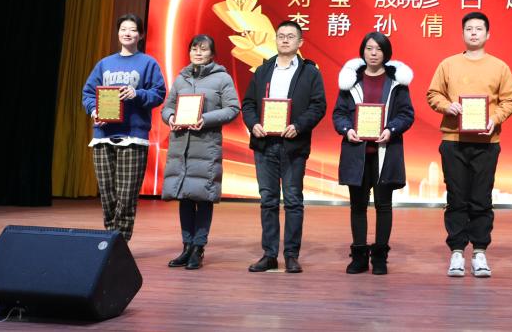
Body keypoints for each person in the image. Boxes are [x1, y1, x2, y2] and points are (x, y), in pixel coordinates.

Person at [427, 11, 512, 278]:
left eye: (479, 29)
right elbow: (433, 94)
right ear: (463, 33)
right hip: (453, 140)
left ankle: (479, 252)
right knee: (456, 197)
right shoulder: (448, 64)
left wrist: (495, 119)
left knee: (481, 197)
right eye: (469, 29)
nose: (474, 33)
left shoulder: (499, 67)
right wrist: (447, 106)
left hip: (486, 142)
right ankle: (457, 251)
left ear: (488, 34)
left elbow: (510, 100)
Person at [240, 20, 327, 273]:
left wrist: (299, 126)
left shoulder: (310, 72)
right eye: (281, 36)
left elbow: (318, 106)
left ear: (300, 42)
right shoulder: (262, 70)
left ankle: (291, 255)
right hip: (264, 144)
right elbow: (248, 104)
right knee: (268, 200)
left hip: (293, 144)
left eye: (290, 36)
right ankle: (269, 255)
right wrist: (253, 124)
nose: (285, 40)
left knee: (292, 200)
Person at [332, 32, 415, 275]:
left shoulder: (396, 82)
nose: (373, 53)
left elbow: (406, 114)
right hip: (356, 152)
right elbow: (339, 114)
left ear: (386, 53)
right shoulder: (350, 80)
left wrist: (391, 129)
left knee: (383, 205)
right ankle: (359, 256)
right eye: (369, 48)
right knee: (358, 206)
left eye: (378, 49)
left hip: (385, 152)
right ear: (363, 51)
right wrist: (347, 130)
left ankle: (380, 257)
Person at [81, 13, 167, 242]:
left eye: (132, 30)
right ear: (118, 33)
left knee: (126, 196)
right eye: (123, 29)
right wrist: (94, 111)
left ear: (141, 35)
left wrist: (136, 93)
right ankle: (111, 240)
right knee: (107, 194)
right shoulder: (104, 64)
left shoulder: (148, 63)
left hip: (133, 137)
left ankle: (120, 241)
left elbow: (159, 93)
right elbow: (88, 93)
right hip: (103, 136)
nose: (127, 33)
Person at [160, 34, 241, 270]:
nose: (198, 53)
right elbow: (167, 107)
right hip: (181, 146)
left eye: (203, 49)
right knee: (184, 196)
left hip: (205, 144)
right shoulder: (181, 78)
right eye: (194, 48)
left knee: (203, 197)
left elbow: (233, 108)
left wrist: (204, 119)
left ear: (212, 54)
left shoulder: (222, 78)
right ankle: (186, 247)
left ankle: (198, 247)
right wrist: (171, 117)